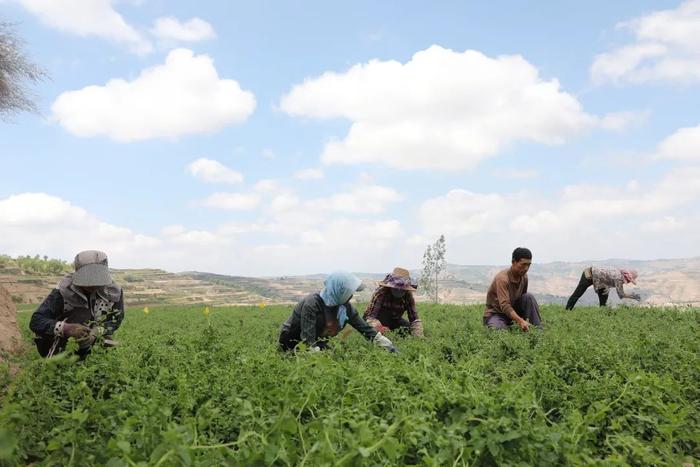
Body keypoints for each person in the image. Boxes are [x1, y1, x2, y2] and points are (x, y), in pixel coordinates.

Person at [29, 250, 124, 358]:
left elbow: (115, 320)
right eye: (88, 280)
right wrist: (66, 328)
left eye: (97, 280)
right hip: (60, 343)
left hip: (92, 341)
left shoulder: (113, 292)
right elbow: (36, 321)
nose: (92, 285)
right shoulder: (63, 291)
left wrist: (96, 332)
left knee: (106, 354)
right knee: (81, 315)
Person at [279, 271, 398, 352]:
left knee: (333, 356)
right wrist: (316, 357)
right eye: (349, 292)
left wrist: (387, 345)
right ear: (340, 290)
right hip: (292, 340)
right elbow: (307, 339)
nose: (351, 296)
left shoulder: (345, 308)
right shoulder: (312, 304)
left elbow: (365, 329)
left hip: (316, 342)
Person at [483, 247, 542, 331]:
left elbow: (523, 300)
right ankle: (508, 326)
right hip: (496, 314)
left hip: (512, 312)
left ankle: (537, 331)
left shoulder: (524, 277)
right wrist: (520, 321)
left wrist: (521, 319)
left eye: (528, 265)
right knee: (498, 331)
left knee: (528, 297)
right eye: (523, 264)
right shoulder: (502, 278)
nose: (526, 268)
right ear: (513, 262)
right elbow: (505, 306)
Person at [363, 267, 424, 337]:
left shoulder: (408, 296)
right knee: (378, 331)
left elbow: (414, 319)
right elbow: (371, 317)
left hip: (394, 318)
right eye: (396, 288)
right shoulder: (381, 293)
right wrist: (381, 329)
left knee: (407, 329)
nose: (399, 291)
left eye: (402, 289)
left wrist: (418, 336)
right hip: (375, 317)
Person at [565, 267, 640, 310]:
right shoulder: (619, 278)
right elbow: (621, 294)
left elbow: (608, 278)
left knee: (604, 298)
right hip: (588, 275)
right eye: (630, 280)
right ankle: (567, 311)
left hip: (601, 281)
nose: (629, 282)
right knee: (577, 294)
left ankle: (602, 314)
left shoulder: (620, 273)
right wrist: (633, 296)